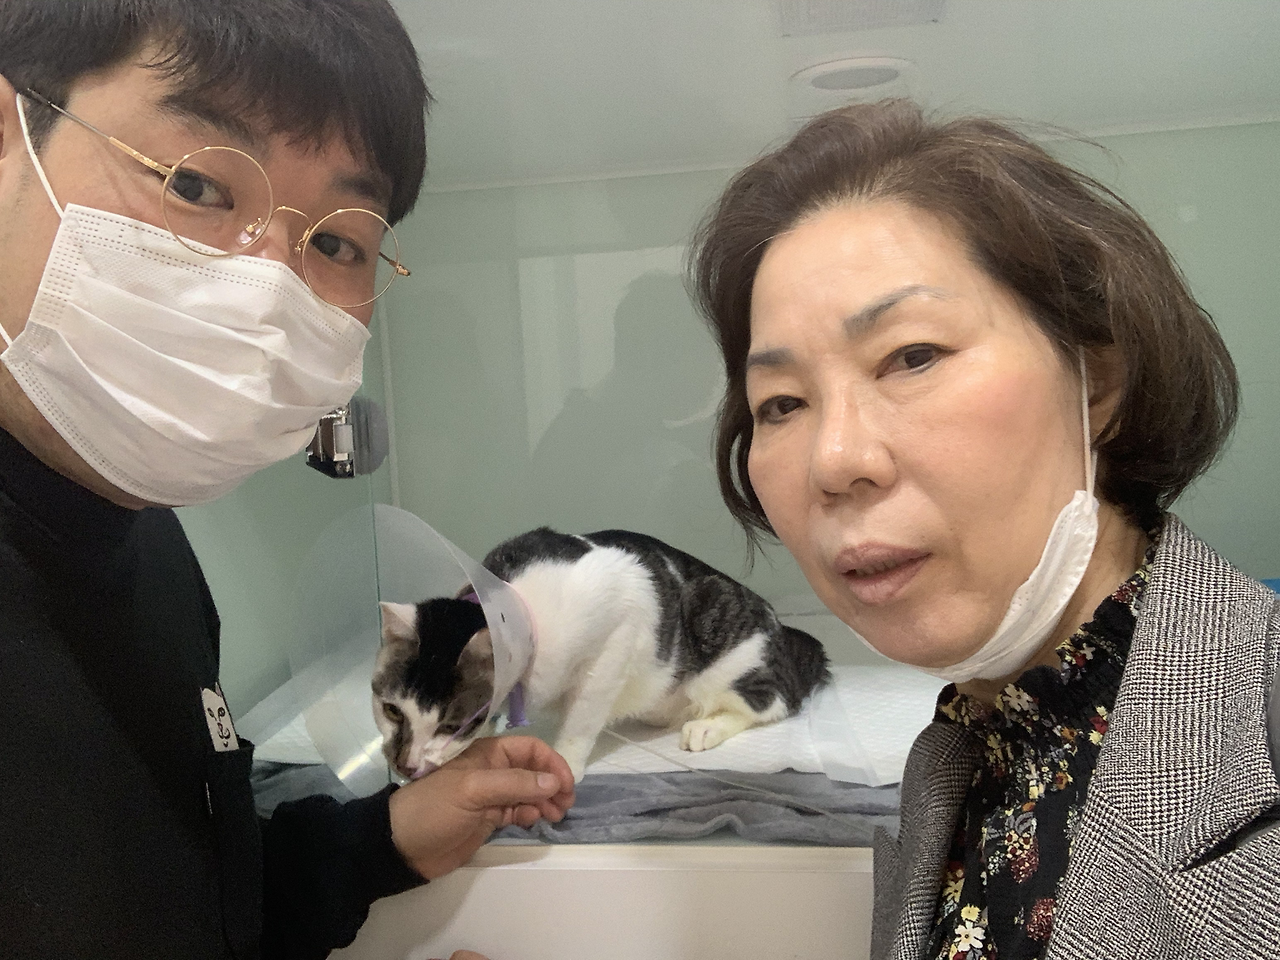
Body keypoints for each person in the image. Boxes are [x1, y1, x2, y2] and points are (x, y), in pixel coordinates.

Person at [0, 3, 574, 958]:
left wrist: (377, 845)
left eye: (338, 243)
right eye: (196, 184)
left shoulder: (148, 544)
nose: (268, 289)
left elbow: (179, 896)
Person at [689, 98, 1280, 957]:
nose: (834, 459)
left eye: (913, 356)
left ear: (1096, 383)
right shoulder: (957, 758)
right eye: (780, 404)